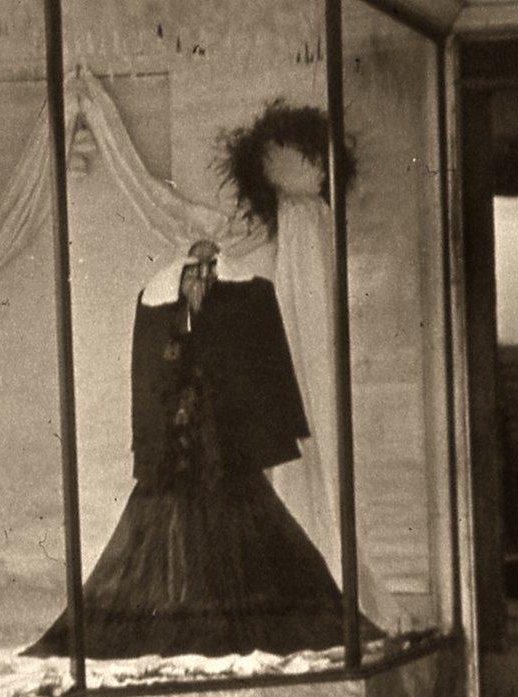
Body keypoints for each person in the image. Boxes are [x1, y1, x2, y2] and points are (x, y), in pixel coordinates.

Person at [27, 240, 369, 659]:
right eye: (194, 271)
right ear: (182, 272)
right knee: (169, 540)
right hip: (178, 451)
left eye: (209, 270)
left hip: (224, 452)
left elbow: (257, 369)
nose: (202, 278)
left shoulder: (242, 300)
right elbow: (151, 377)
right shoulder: (158, 306)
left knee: (242, 536)